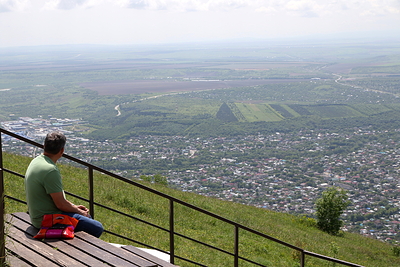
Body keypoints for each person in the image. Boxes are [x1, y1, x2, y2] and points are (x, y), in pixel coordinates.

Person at [25, 131, 103, 238]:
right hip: (46, 220)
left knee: (87, 219)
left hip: (38, 216)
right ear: (62, 150)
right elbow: (60, 204)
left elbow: (57, 200)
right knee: (97, 227)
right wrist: (80, 212)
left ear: (44, 146)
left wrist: (75, 208)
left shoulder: (36, 161)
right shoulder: (50, 170)